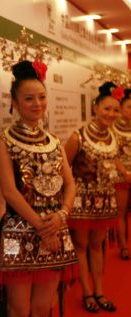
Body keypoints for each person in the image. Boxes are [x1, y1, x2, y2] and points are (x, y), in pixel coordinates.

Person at [0, 60, 78, 317]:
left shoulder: (55, 142)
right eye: (29, 98)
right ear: (14, 102)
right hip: (21, 230)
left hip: (54, 229)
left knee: (42, 306)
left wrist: (61, 216)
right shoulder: (4, 142)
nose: (37, 104)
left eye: (42, 97)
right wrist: (41, 226)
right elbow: (9, 192)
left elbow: (70, 184)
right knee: (19, 308)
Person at [65, 81, 122, 312]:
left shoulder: (113, 137)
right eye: (107, 108)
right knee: (81, 245)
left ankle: (99, 290)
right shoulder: (78, 137)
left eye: (115, 110)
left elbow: (114, 163)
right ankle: (87, 293)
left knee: (98, 245)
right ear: (95, 108)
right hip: (81, 201)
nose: (111, 114)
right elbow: (64, 168)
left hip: (105, 199)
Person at [112, 88, 131, 260]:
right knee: (121, 212)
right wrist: (124, 172)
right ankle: (124, 246)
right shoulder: (113, 129)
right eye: (129, 107)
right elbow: (112, 154)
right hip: (121, 176)